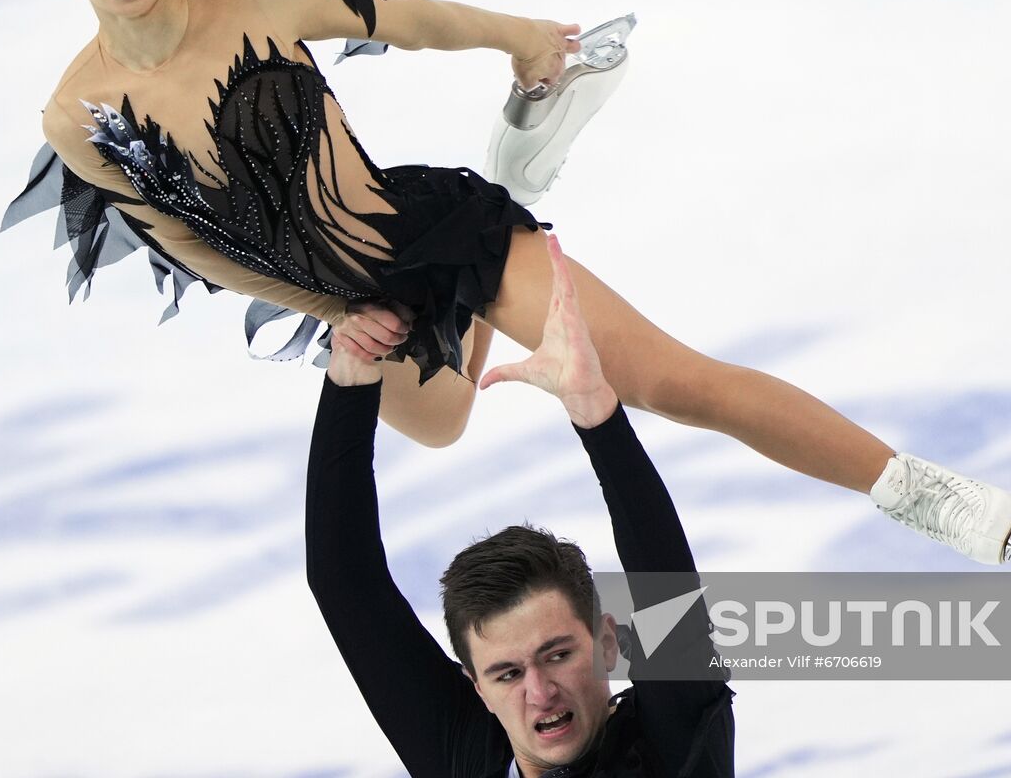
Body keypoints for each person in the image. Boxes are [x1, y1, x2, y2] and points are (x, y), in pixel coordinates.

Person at [2, 0, 1011, 565]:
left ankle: (933, 497)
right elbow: (187, 243)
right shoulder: (76, 114)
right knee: (444, 425)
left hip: (427, 227)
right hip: (358, 298)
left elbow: (404, 17)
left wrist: (520, 39)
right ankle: (517, 171)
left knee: (671, 381)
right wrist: (331, 314)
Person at [306, 233, 735, 776]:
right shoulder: (465, 753)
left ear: (606, 643)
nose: (540, 693)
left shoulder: (674, 748)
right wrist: (350, 367)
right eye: (507, 674)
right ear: (477, 687)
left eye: (558, 654)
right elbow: (345, 584)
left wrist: (596, 414)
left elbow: (667, 593)